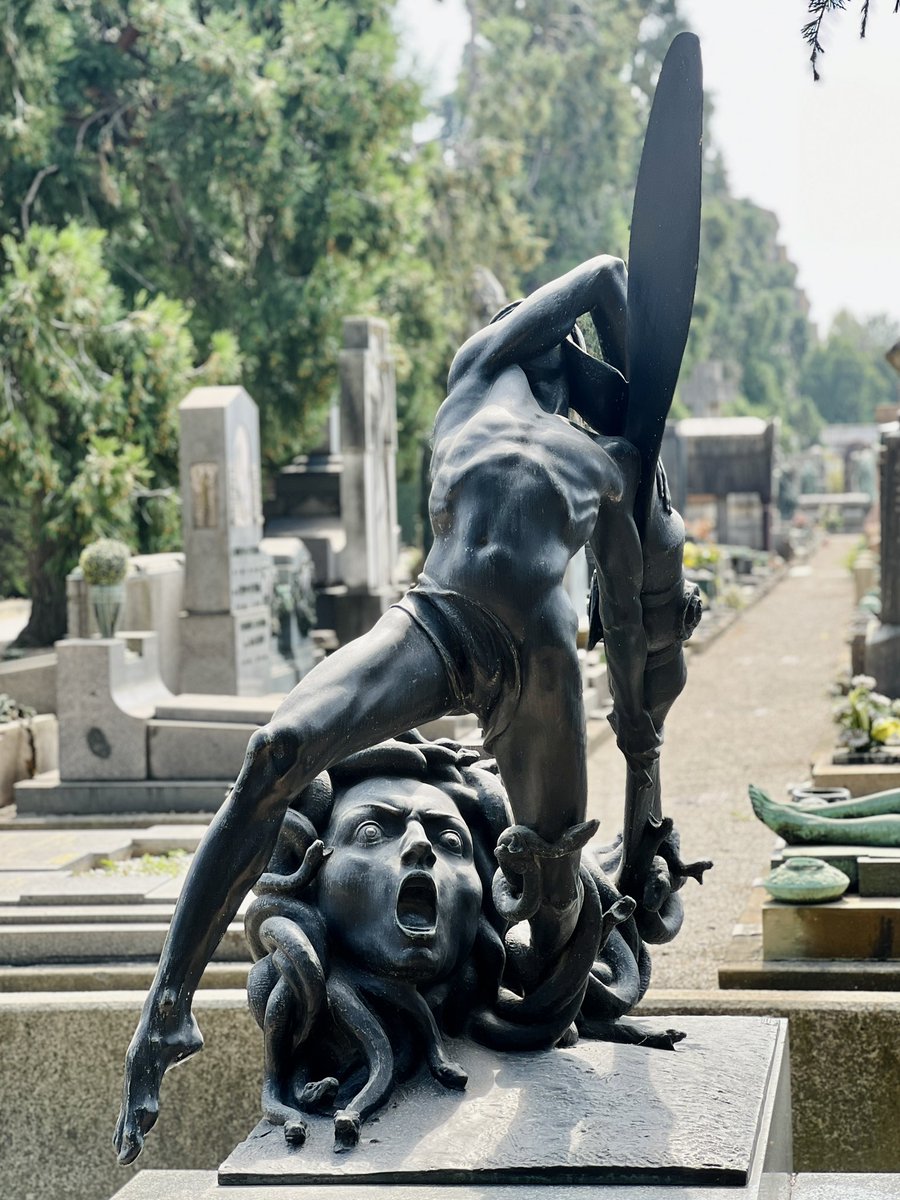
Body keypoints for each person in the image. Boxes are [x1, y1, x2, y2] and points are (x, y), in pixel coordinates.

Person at [114, 253, 659, 1164]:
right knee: (275, 751)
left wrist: (640, 742)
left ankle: (559, 1038)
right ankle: (168, 1007)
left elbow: (633, 630)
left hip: (544, 669)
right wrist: (636, 383)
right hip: (435, 625)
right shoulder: (480, 373)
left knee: (555, 892)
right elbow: (608, 273)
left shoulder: (611, 467)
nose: (564, 353)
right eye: (555, 337)